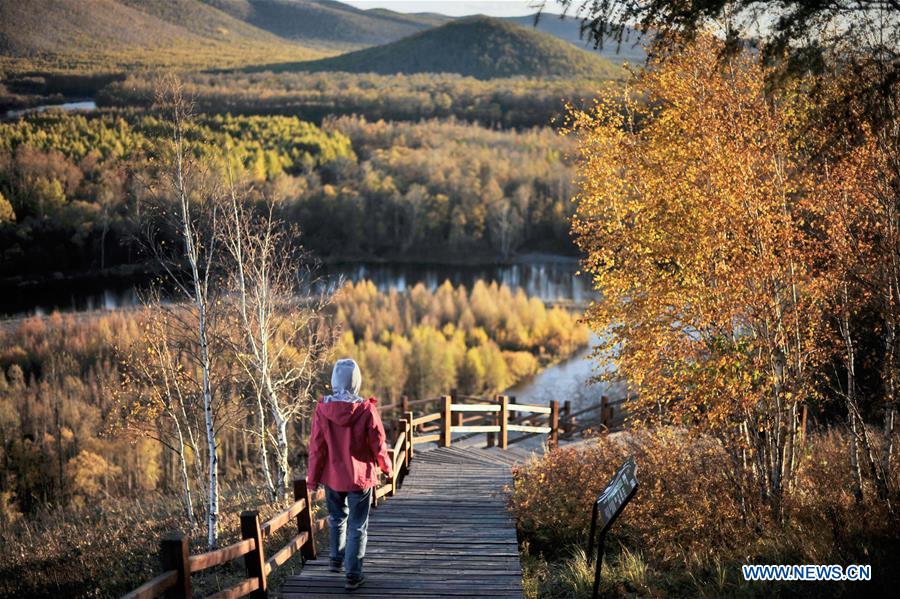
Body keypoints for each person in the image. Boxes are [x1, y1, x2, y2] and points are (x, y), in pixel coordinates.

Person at [306, 358, 392, 591]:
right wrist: (387, 467)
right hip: (360, 478)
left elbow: (316, 447)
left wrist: (312, 479)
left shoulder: (323, 409)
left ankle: (336, 559)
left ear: (335, 380)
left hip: (333, 477)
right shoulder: (366, 410)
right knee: (357, 526)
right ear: (356, 382)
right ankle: (353, 575)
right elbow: (378, 443)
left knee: (336, 518)